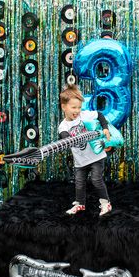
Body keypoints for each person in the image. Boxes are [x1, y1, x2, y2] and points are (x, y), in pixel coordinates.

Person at [58, 83, 112, 216]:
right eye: (73, 107)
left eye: (79, 107)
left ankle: (106, 203)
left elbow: (99, 115)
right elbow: (64, 136)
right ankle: (80, 204)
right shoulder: (63, 126)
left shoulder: (84, 116)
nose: (77, 110)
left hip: (95, 157)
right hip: (80, 161)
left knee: (96, 180)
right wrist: (66, 140)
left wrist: (105, 128)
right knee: (79, 184)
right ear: (63, 107)